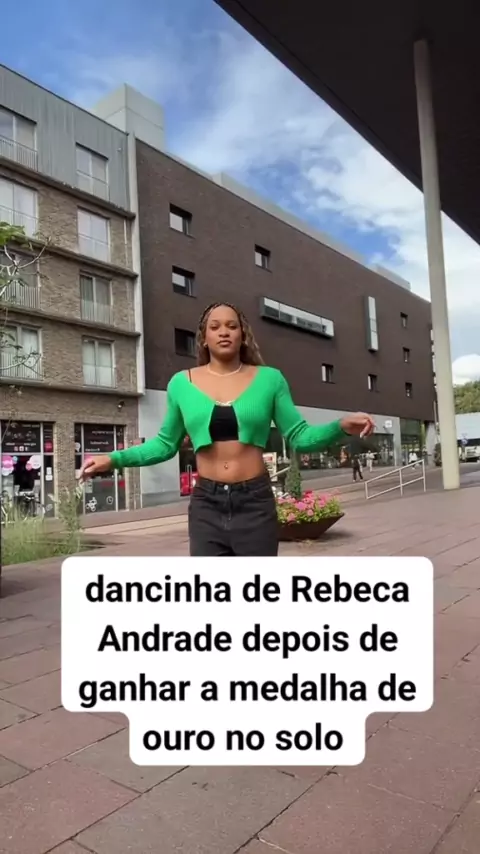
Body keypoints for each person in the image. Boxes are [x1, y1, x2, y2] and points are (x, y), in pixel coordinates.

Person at [79, 303, 375, 556]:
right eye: (215, 326)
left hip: (255, 503)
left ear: (242, 336)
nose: (224, 332)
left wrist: (340, 426)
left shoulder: (270, 379)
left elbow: (300, 436)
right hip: (206, 505)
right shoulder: (181, 383)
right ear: (204, 338)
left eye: (232, 326)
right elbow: (164, 445)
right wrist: (113, 459)